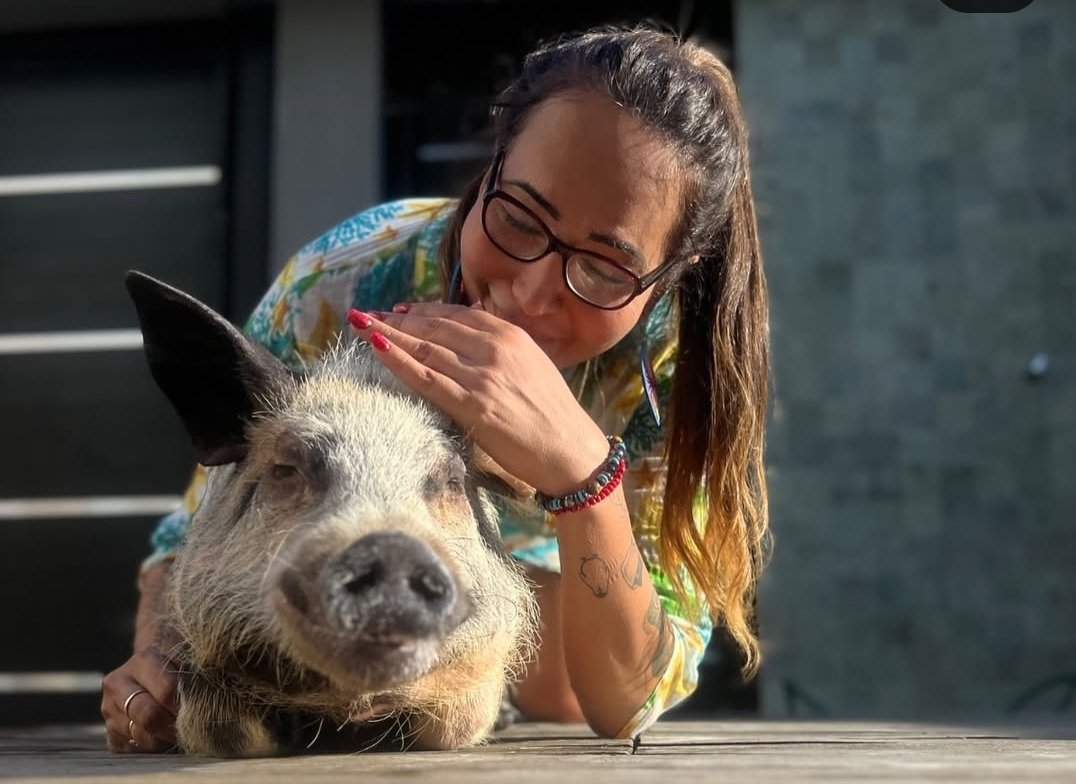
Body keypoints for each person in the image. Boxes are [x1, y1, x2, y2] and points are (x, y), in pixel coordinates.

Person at [100, 23, 771, 752]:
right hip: (319, 587)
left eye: (606, 268)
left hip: (523, 601)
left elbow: (629, 702)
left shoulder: (675, 366)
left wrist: (583, 470)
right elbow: (213, 509)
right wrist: (162, 657)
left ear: (671, 276)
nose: (529, 294)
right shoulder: (349, 275)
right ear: (490, 171)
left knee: (560, 687)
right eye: (519, 217)